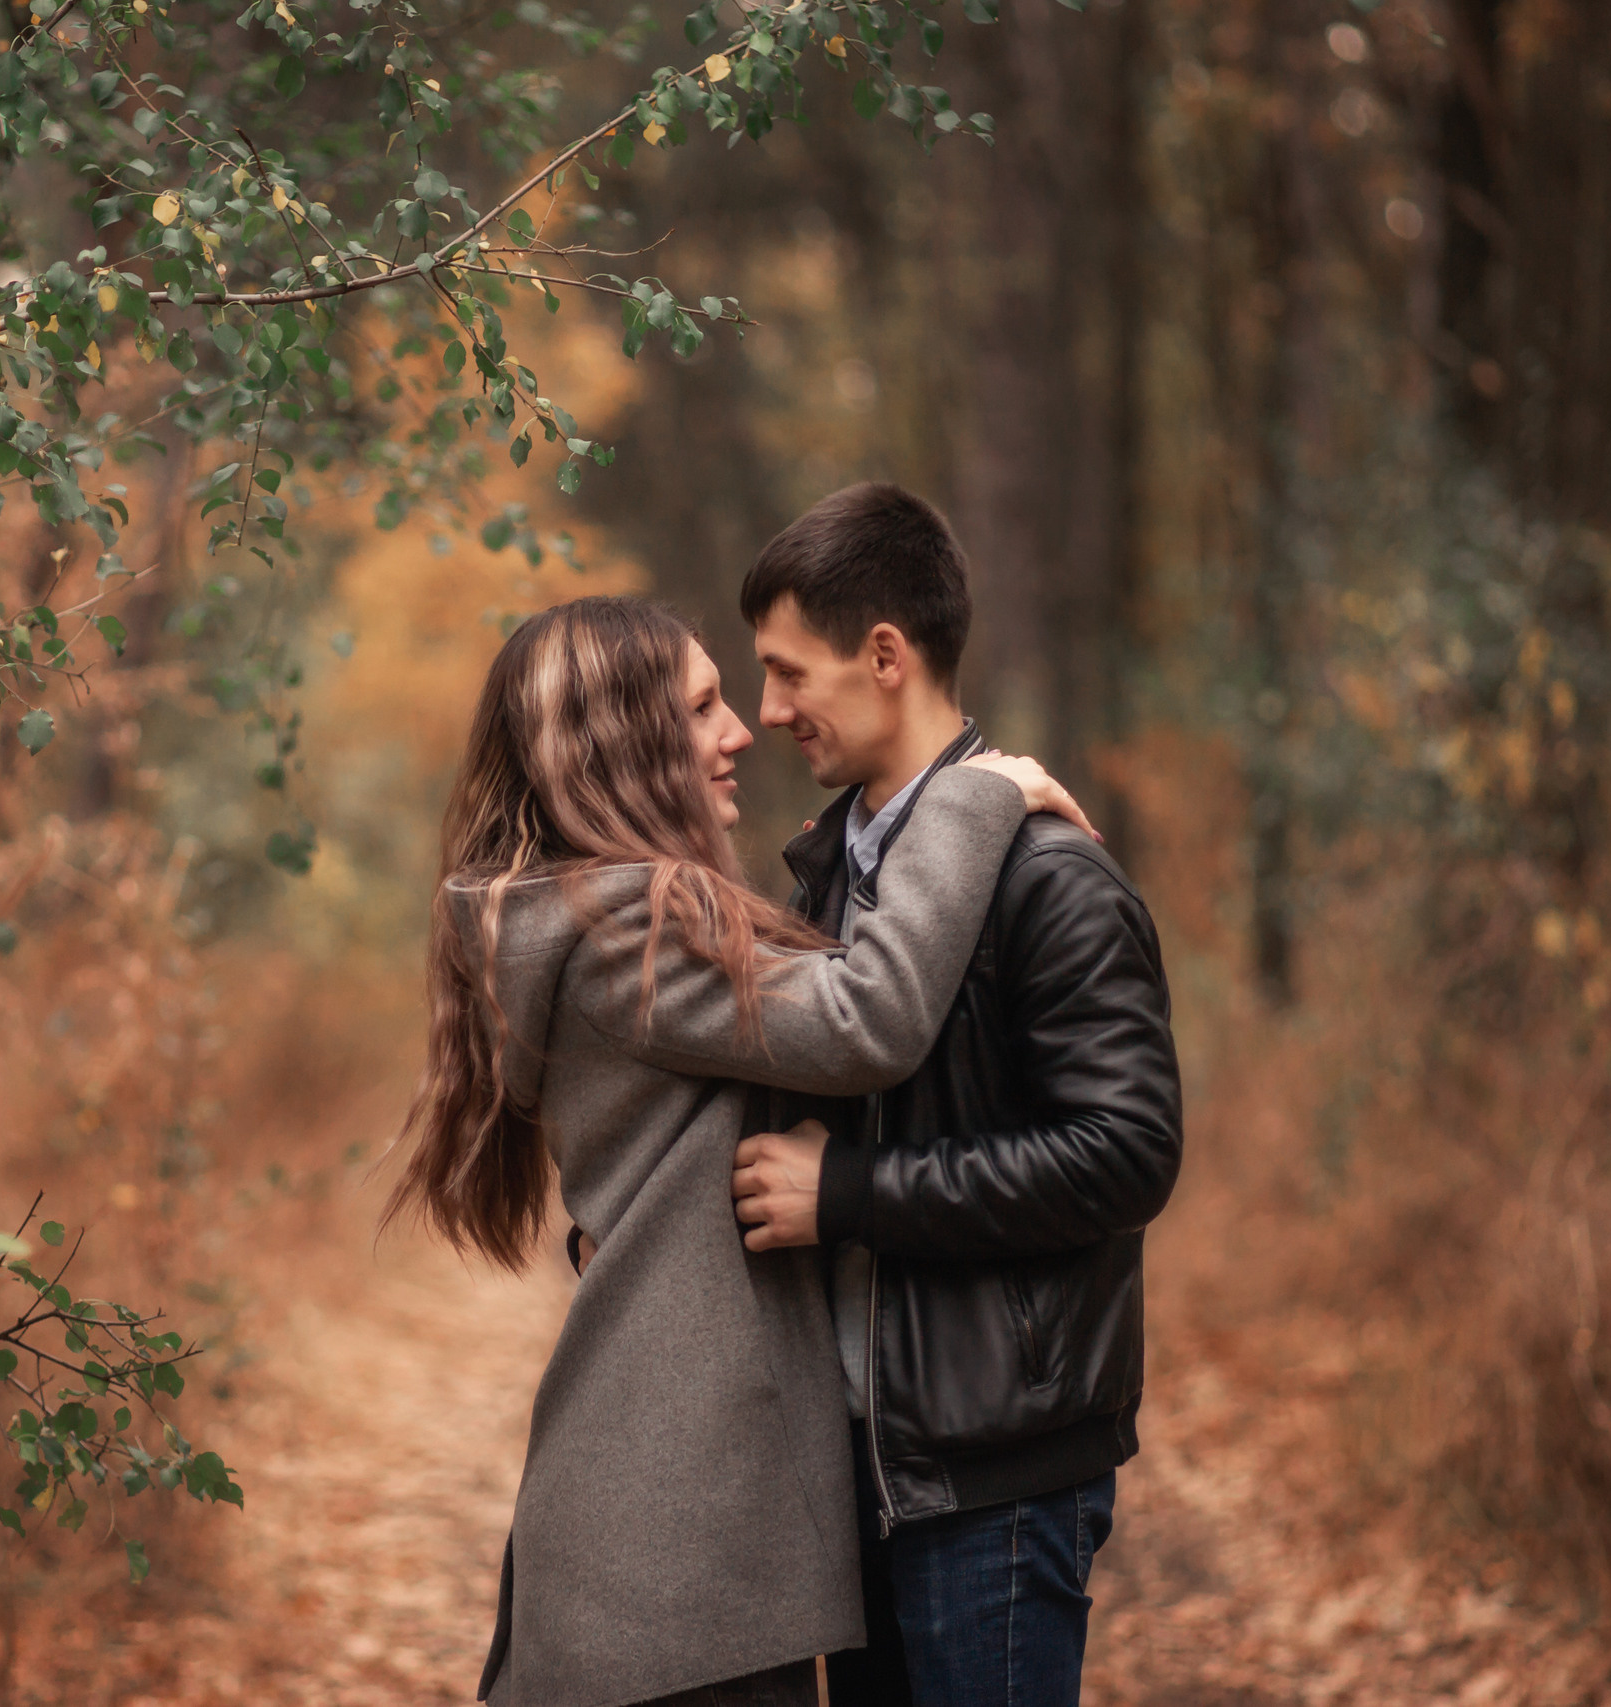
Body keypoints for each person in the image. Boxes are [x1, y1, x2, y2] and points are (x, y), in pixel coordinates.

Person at [384, 595, 1093, 1707]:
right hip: (671, 1542)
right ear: (626, 743)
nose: (738, 731)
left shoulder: (599, 919)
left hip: (671, 1518)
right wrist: (974, 793)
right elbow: (871, 1015)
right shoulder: (626, 929)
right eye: (703, 706)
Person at [725, 483, 1184, 1707]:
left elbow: (1125, 1154)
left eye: (786, 674)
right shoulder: (827, 877)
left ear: (884, 655)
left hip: (997, 1468)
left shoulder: (1049, 880)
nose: (766, 712)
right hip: (860, 1466)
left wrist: (853, 1194)